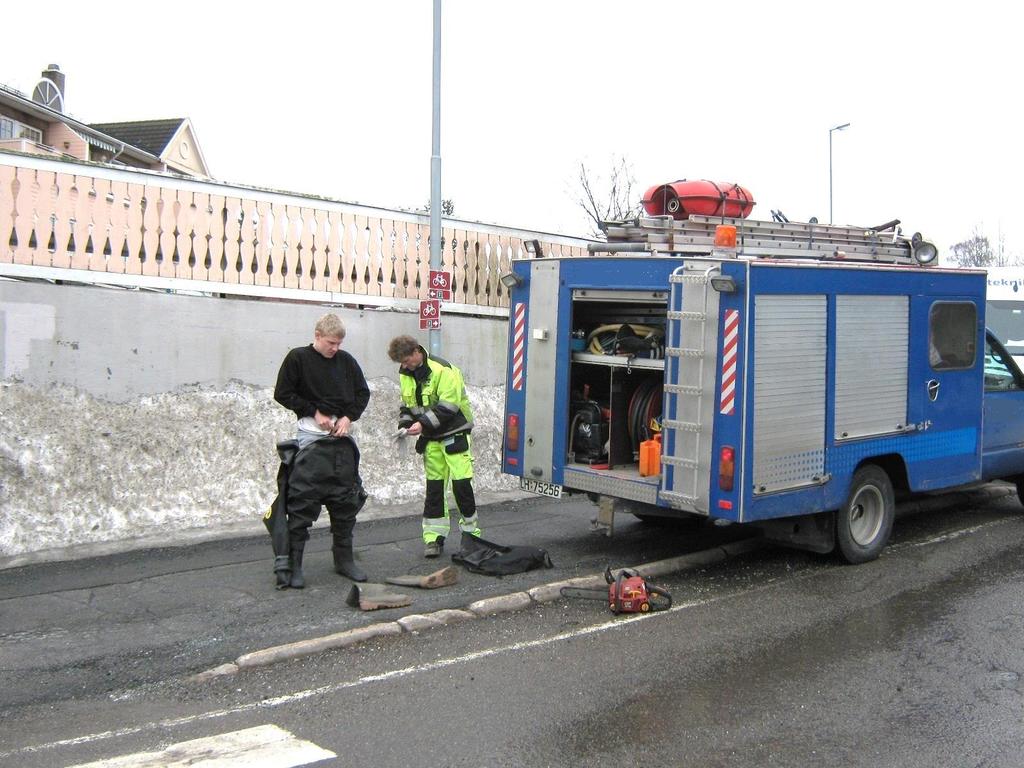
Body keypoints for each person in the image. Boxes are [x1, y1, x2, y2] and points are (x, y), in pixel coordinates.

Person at [273, 313, 370, 587]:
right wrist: (314, 412)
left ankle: (344, 560)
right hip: (310, 437)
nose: (335, 348)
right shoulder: (298, 358)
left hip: (341, 440)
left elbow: (362, 393)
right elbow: (282, 393)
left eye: (339, 343)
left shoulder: (347, 361)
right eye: (331, 343)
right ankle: (295, 565)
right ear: (317, 336)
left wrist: (348, 418)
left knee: (345, 499)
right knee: (303, 499)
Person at [387, 335, 481, 557]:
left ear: (416, 352)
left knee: (461, 487)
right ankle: (433, 538)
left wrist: (421, 424)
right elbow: (407, 405)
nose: (404, 366)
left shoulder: (443, 370)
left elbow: (449, 406)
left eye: (406, 360)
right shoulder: (405, 374)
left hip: (454, 434)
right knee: (435, 490)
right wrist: (405, 425)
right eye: (401, 362)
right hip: (431, 439)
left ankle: (471, 536)